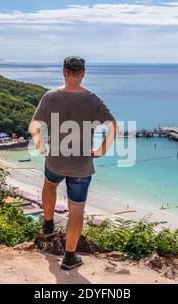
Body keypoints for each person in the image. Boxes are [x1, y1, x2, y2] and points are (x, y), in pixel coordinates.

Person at [29, 56, 117, 270]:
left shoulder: (50, 97)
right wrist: (100, 151)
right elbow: (113, 126)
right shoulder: (93, 99)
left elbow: (34, 127)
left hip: (55, 160)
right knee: (76, 210)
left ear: (64, 72)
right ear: (83, 73)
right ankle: (69, 257)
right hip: (81, 165)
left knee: (49, 184)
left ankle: (48, 223)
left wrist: (42, 149)